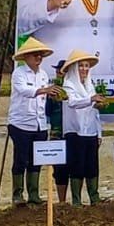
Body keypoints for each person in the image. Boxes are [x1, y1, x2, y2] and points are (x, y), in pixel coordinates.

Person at [8, 37, 58, 207]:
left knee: (36, 159)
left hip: (40, 123)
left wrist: (51, 93)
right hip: (21, 123)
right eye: (35, 55)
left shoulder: (43, 74)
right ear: (26, 57)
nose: (38, 58)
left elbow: (43, 97)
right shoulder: (19, 73)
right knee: (21, 159)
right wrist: (44, 90)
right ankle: (17, 194)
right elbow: (24, 91)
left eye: (40, 55)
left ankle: (34, 193)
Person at [61, 49, 106, 205]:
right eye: (81, 66)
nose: (84, 69)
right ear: (74, 68)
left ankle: (94, 196)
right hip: (75, 131)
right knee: (76, 165)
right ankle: (76, 199)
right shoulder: (68, 84)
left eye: (87, 66)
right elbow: (72, 102)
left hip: (91, 131)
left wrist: (99, 133)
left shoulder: (89, 85)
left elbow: (95, 111)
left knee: (92, 165)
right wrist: (90, 98)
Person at [44, 59, 69, 204]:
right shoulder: (52, 89)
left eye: (63, 70)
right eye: (58, 71)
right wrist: (50, 97)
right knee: (59, 168)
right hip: (56, 132)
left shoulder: (75, 87)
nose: (59, 73)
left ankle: (76, 200)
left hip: (73, 132)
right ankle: (62, 201)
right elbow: (47, 112)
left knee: (74, 165)